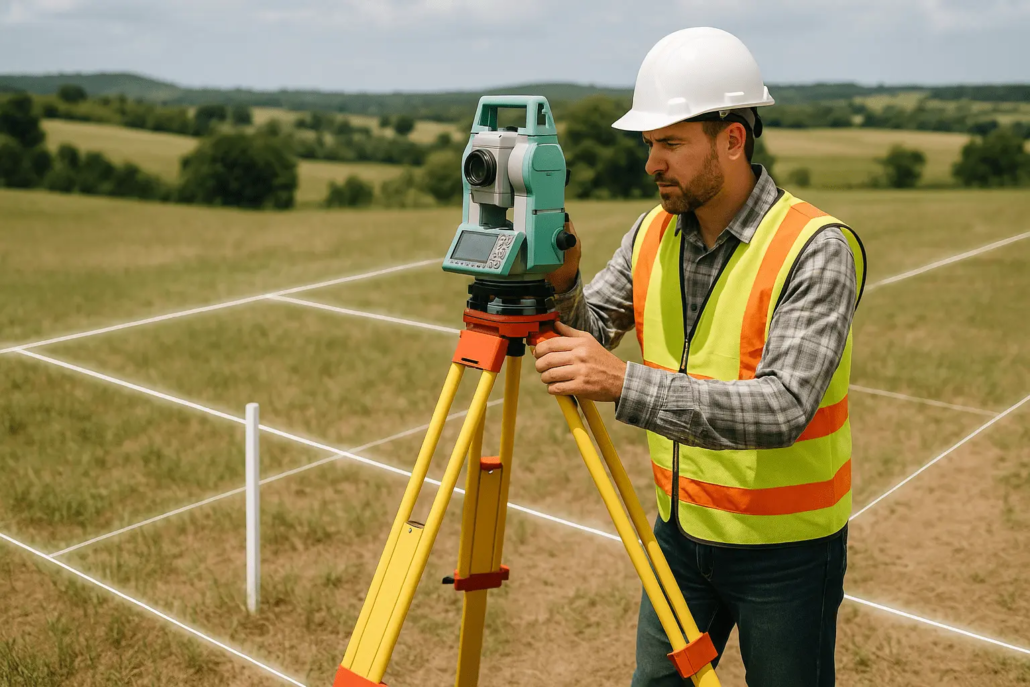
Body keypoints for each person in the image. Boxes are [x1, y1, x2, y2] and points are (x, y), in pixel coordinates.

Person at [533, 27, 866, 687]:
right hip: (680, 539)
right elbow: (590, 331)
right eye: (650, 144)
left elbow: (783, 407)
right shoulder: (652, 229)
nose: (652, 163)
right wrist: (562, 281)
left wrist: (625, 385)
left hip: (788, 553)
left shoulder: (816, 246)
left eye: (671, 143)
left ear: (732, 139)